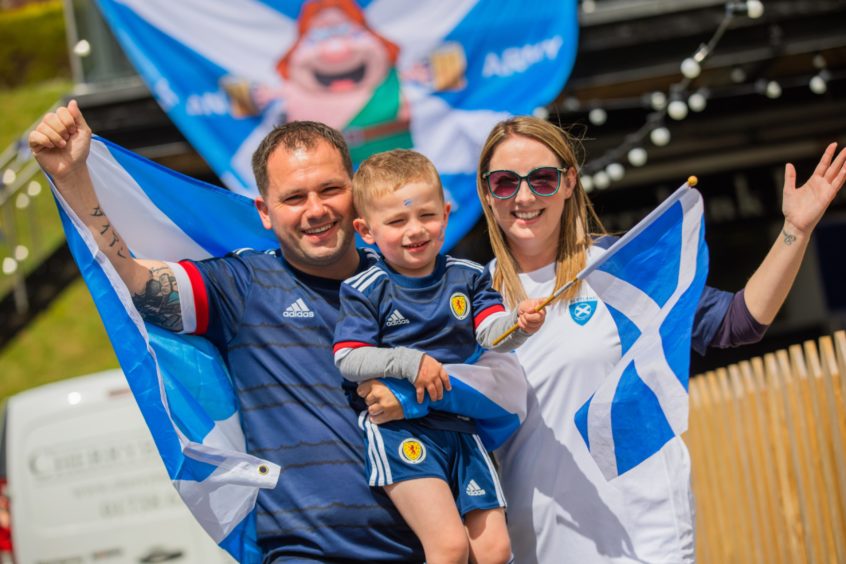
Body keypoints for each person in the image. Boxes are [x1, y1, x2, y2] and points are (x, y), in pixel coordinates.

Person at [28, 101, 426, 562]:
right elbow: (134, 281)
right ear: (264, 211)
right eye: (294, 197)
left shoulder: (415, 280)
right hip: (309, 553)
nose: (316, 210)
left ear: (355, 192)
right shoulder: (242, 286)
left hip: (437, 547)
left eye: (330, 189)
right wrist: (72, 177)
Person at [472, 116, 846, 563]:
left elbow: (737, 322)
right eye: (505, 183)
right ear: (486, 191)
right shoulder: (470, 300)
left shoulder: (617, 266)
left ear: (570, 182)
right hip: (538, 545)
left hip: (647, 539)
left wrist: (796, 230)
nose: (526, 196)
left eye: (544, 179)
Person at [332, 149, 545, 563]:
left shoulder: (468, 275)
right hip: (399, 431)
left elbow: (491, 334)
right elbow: (348, 359)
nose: (415, 230)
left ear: (446, 214)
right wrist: (410, 363)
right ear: (366, 230)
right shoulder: (365, 287)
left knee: (496, 550)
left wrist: (518, 325)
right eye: (396, 221)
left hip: (463, 429)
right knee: (447, 547)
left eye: (426, 215)